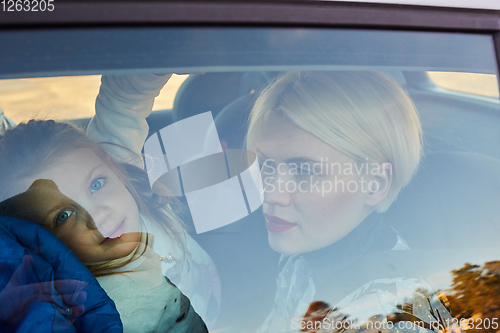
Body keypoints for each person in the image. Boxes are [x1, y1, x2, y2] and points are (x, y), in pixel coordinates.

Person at [0, 74, 219, 329]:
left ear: (113, 167)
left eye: (96, 184)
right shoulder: (111, 309)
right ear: (38, 243)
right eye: (64, 216)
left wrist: (166, 50)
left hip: (213, 290)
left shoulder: (117, 173)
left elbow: (124, 100)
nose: (99, 214)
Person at [245, 71, 452, 332]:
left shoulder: (393, 316)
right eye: (265, 165)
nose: (269, 194)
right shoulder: (301, 255)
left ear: (374, 184)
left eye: (305, 171)